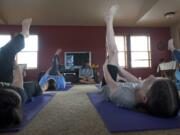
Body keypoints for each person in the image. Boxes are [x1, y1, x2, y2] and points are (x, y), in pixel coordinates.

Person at [102, 5, 180, 117]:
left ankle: (109, 19)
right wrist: (119, 68)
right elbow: (134, 80)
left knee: (113, 52)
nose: (153, 75)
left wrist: (104, 67)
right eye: (159, 77)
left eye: (155, 79)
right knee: (112, 53)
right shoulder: (142, 92)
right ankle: (108, 21)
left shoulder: (126, 99)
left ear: (144, 98)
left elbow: (111, 83)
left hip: (108, 87)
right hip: (121, 85)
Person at [0, 18, 43, 128]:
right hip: (15, 88)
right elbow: (18, 82)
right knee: (34, 86)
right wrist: (17, 66)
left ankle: (23, 35)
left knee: (4, 54)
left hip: (8, 88)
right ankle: (24, 34)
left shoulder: (13, 97)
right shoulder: (18, 96)